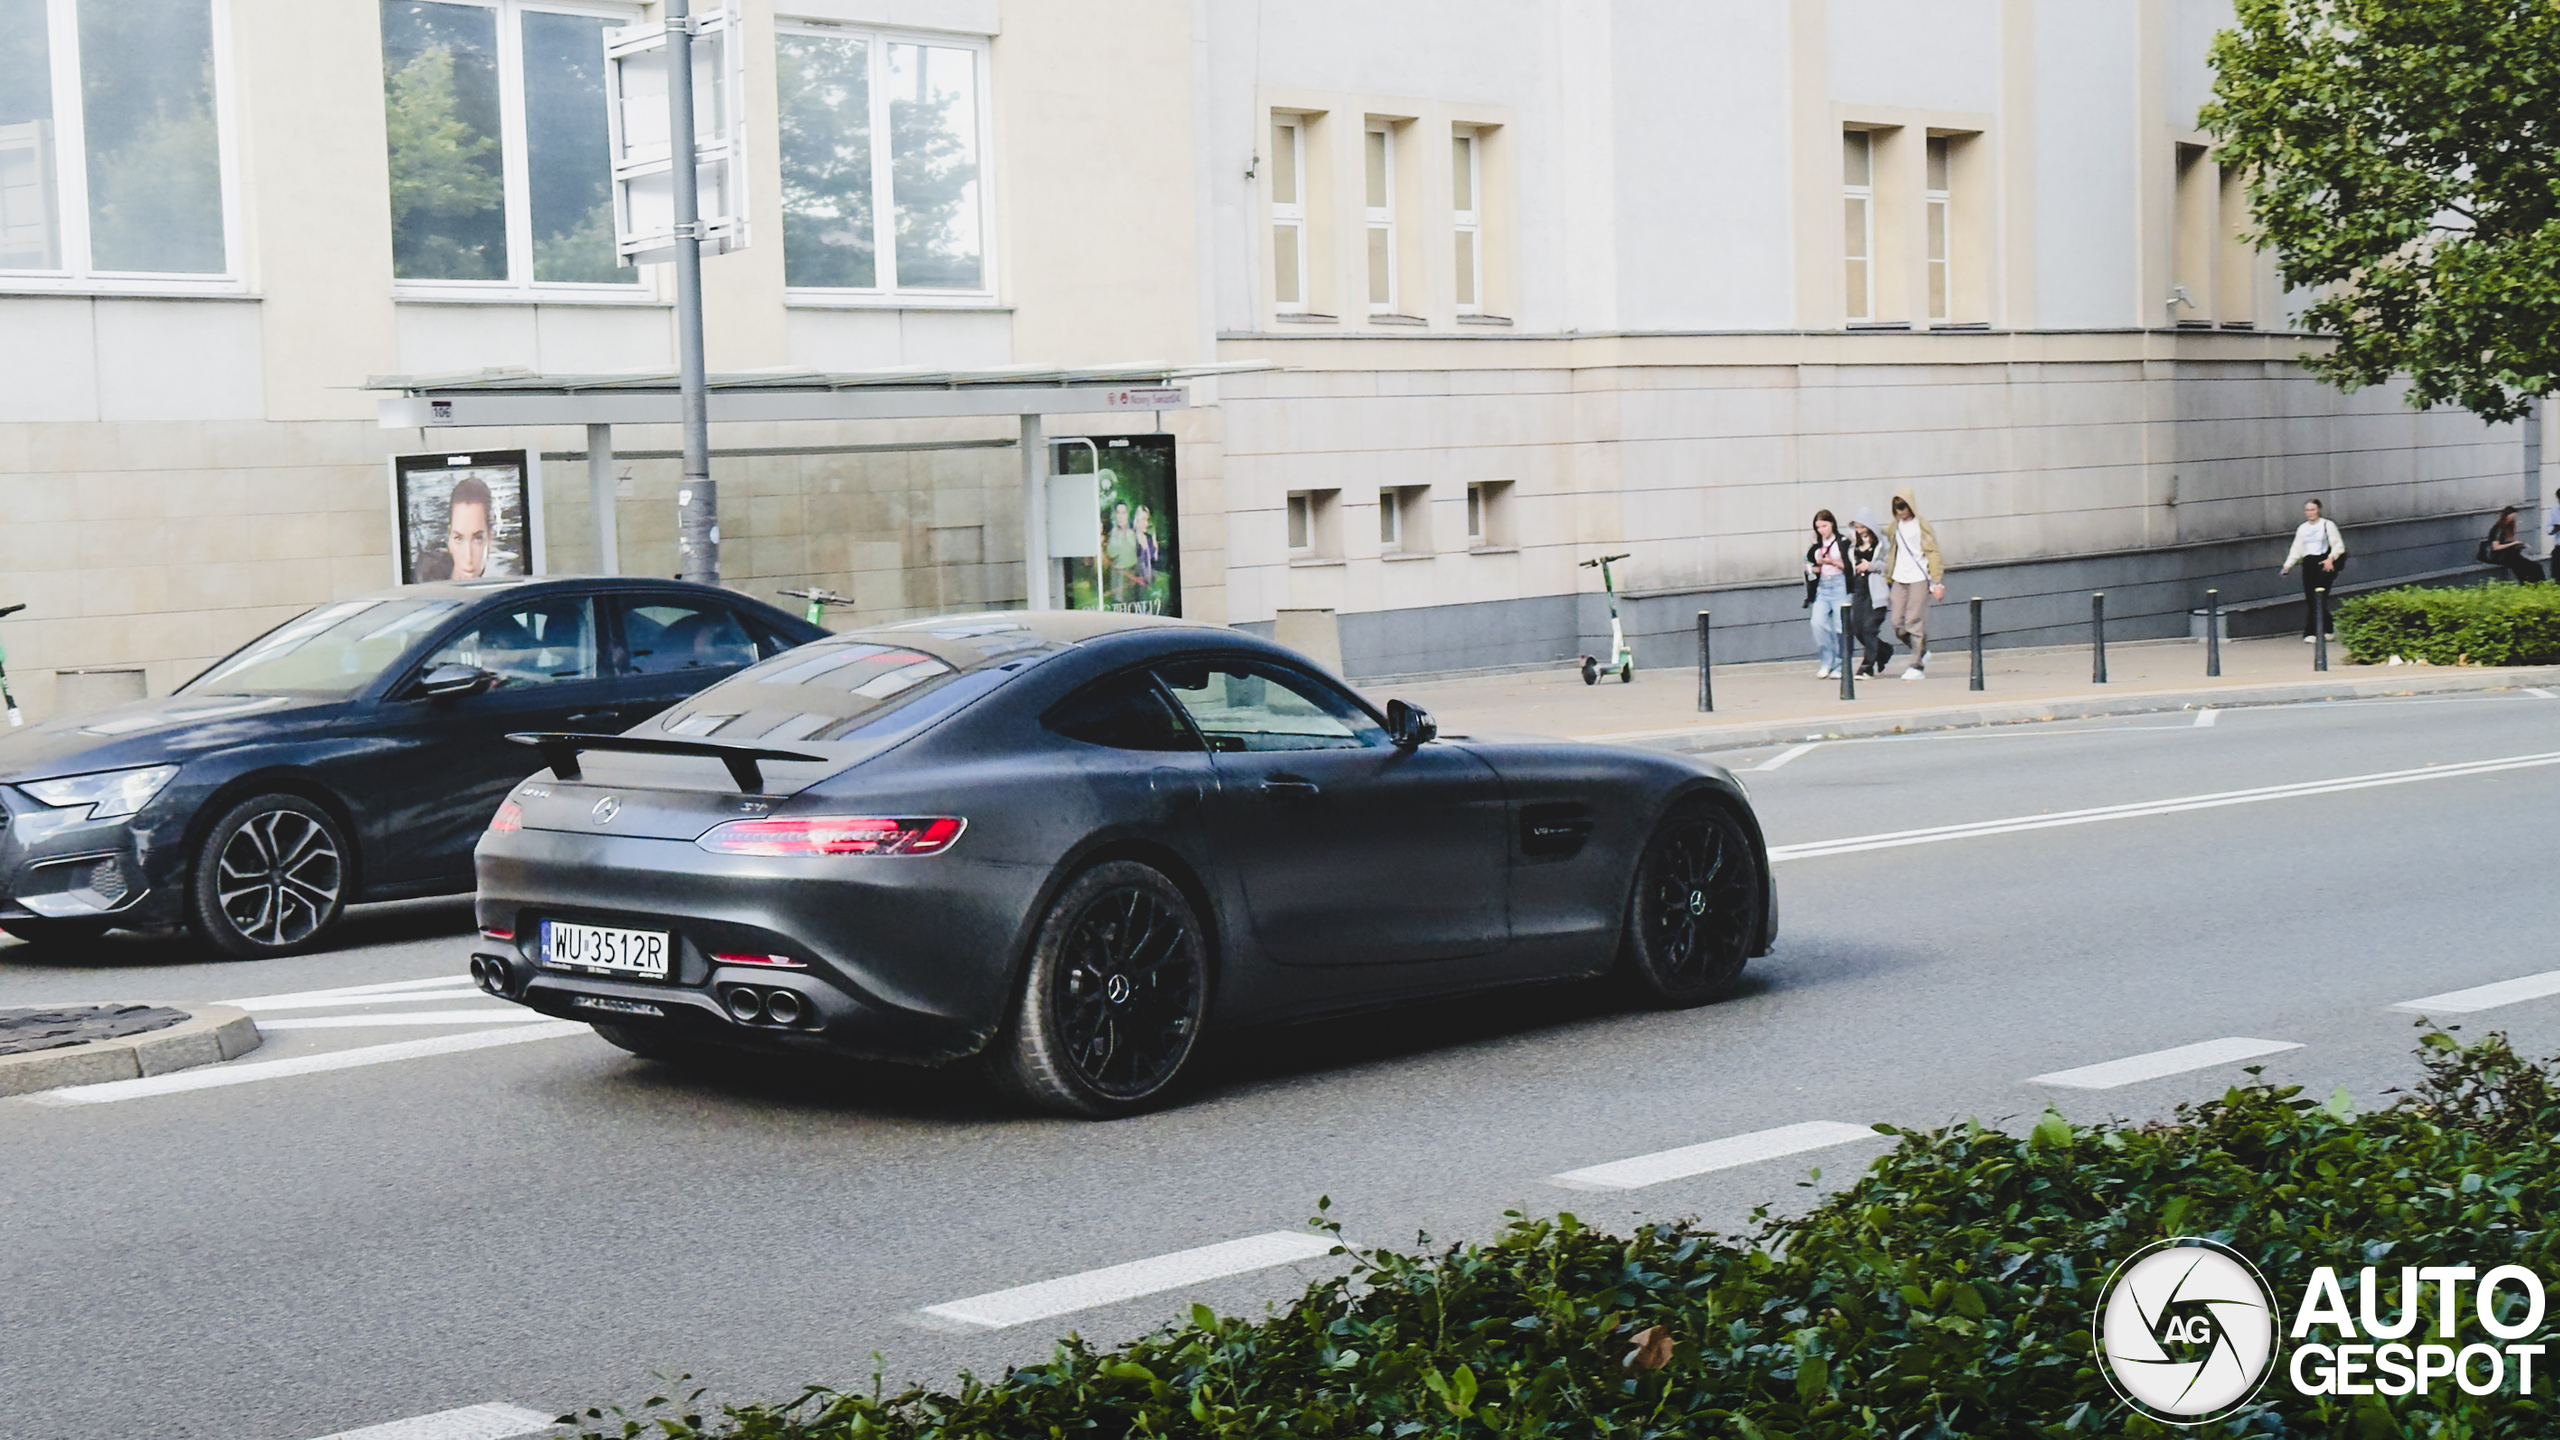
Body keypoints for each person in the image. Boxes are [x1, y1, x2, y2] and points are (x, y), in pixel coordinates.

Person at [1881, 489, 1944, 679]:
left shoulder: (1922, 526)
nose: (1901, 512)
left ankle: (1916, 665)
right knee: (1897, 622)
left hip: (1918, 576)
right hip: (1899, 577)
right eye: (1897, 508)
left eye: (1904, 507)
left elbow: (1933, 552)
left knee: (1913, 620)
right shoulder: (1895, 526)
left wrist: (1936, 579)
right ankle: (1921, 650)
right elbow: (1883, 538)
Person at [2279, 498, 2348, 639]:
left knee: (2319, 595)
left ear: (2319, 510)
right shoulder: (2303, 528)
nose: (2310, 513)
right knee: (2311, 598)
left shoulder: (2327, 525)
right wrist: (2288, 565)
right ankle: (2327, 628)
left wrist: (2331, 558)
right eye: (2307, 510)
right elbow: (2297, 548)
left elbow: (2338, 545)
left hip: (2324, 562)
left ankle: (2311, 631)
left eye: (2313, 510)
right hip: (2309, 563)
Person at [411, 476, 495, 582]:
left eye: (478, 538)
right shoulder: (424, 585)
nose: (468, 557)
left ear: (490, 538)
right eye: (459, 538)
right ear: (449, 540)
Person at [1801, 509, 1851, 679]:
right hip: (1822, 586)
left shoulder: (1842, 541)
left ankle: (1840, 663)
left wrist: (1833, 562)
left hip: (1839, 584)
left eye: (1825, 525)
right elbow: (1811, 563)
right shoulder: (1816, 544)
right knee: (1817, 623)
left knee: (1840, 626)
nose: (1822, 530)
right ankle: (1826, 660)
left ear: (1832, 524)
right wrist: (1812, 568)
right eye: (1819, 527)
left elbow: (1849, 566)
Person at [1849, 508, 1893, 677]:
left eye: (1862, 527)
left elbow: (1888, 565)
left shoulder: (1881, 544)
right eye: (1857, 527)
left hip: (1876, 588)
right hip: (1859, 587)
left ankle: (1867, 666)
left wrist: (1871, 566)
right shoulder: (1854, 544)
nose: (1859, 530)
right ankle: (1883, 651)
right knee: (1857, 627)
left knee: (1870, 627)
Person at [2485, 505, 2542, 585]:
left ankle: (2534, 582)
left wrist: (2518, 545)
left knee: (2534, 566)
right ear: (2507, 517)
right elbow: (2496, 547)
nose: (2513, 520)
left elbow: (2509, 542)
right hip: (2501, 555)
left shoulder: (2508, 528)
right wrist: (2514, 543)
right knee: (2522, 566)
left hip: (2510, 554)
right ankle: (2527, 582)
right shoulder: (2499, 528)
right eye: (2512, 518)